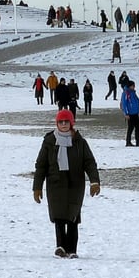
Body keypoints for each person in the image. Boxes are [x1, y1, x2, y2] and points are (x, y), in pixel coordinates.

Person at [33, 110, 101, 259]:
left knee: (72, 217)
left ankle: (72, 249)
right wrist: (37, 187)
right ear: (57, 123)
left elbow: (89, 162)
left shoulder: (79, 142)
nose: (63, 124)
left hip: (75, 185)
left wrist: (94, 181)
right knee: (58, 217)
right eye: (60, 122)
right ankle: (60, 247)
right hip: (55, 184)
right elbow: (41, 165)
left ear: (71, 123)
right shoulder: (49, 141)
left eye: (66, 122)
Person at [120, 80, 139, 147]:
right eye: (133, 86)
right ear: (130, 86)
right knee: (130, 128)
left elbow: (137, 101)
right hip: (130, 114)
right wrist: (126, 113)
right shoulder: (126, 93)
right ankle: (128, 142)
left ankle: (138, 141)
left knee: (138, 127)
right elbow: (124, 104)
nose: (134, 87)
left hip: (135, 113)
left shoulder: (133, 93)